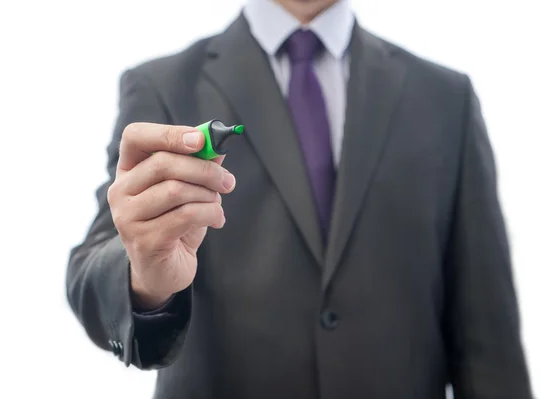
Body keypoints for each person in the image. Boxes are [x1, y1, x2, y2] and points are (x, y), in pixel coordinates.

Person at [66, 0, 534, 397]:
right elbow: (92, 270)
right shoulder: (162, 86)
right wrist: (146, 276)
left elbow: (489, 341)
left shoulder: (445, 98)